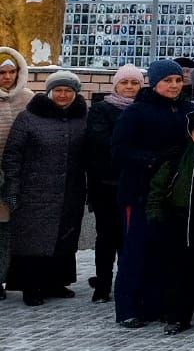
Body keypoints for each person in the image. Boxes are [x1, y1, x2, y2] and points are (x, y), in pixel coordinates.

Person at [111, 59, 191, 327]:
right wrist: (152, 159)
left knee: (164, 251)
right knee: (136, 250)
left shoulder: (187, 110)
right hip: (140, 192)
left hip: (173, 193)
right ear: (154, 82)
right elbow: (119, 150)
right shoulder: (137, 112)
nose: (174, 85)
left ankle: (155, 303)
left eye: (178, 80)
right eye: (168, 81)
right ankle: (128, 307)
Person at [1, 69, 87, 306]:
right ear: (49, 92)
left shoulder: (81, 117)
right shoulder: (29, 117)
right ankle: (31, 286)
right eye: (58, 90)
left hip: (70, 189)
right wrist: (12, 185)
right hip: (34, 189)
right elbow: (12, 154)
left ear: (75, 93)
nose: (62, 95)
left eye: (68, 91)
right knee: (34, 239)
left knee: (64, 237)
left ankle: (56, 282)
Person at [146, 106, 194, 334]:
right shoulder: (178, 157)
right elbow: (158, 187)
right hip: (180, 220)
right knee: (177, 271)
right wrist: (156, 214)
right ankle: (177, 316)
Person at [84, 63, 142, 302]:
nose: (129, 87)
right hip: (106, 183)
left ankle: (127, 284)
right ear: (116, 85)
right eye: (125, 82)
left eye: (134, 83)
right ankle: (102, 285)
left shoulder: (143, 109)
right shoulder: (101, 109)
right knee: (107, 236)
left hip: (135, 183)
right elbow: (102, 141)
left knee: (130, 237)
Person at [0, 46, 34, 298]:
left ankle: (8, 276)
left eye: (12, 72)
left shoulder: (28, 98)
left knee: (10, 228)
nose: (7, 77)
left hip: (18, 173)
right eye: (2, 73)